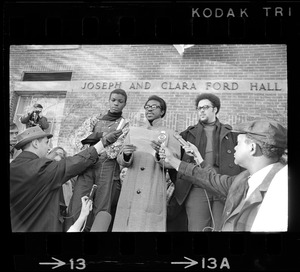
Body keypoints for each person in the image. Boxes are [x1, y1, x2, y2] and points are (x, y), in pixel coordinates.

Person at [159, 119, 287, 231]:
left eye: (238, 143)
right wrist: (192, 158)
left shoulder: (281, 190)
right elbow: (212, 179)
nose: (235, 148)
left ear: (252, 148)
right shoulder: (244, 179)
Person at [10, 126, 122, 232]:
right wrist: (103, 143)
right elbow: (73, 163)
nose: (49, 148)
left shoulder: (13, 167)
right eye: (46, 142)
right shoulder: (40, 169)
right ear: (35, 143)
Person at [170, 93, 243, 231]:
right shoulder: (186, 135)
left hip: (222, 187)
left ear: (215, 109)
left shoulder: (232, 134)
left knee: (222, 228)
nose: (201, 111)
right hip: (196, 187)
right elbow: (176, 164)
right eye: (199, 108)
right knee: (197, 228)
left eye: (205, 107)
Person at [112, 95, 181, 232]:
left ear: (162, 111)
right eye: (147, 107)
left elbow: (175, 161)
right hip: (131, 184)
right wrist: (126, 154)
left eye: (154, 107)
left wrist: (159, 154)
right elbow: (121, 160)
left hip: (153, 184)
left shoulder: (170, 134)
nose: (149, 109)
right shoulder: (134, 131)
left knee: (149, 224)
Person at [66, 88, 128, 232]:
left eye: (120, 101)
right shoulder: (95, 118)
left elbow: (116, 148)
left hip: (107, 166)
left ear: (125, 104)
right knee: (79, 200)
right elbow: (78, 137)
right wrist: (103, 135)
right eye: (113, 100)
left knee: (102, 204)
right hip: (87, 163)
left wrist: (93, 137)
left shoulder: (125, 124)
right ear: (109, 101)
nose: (116, 104)